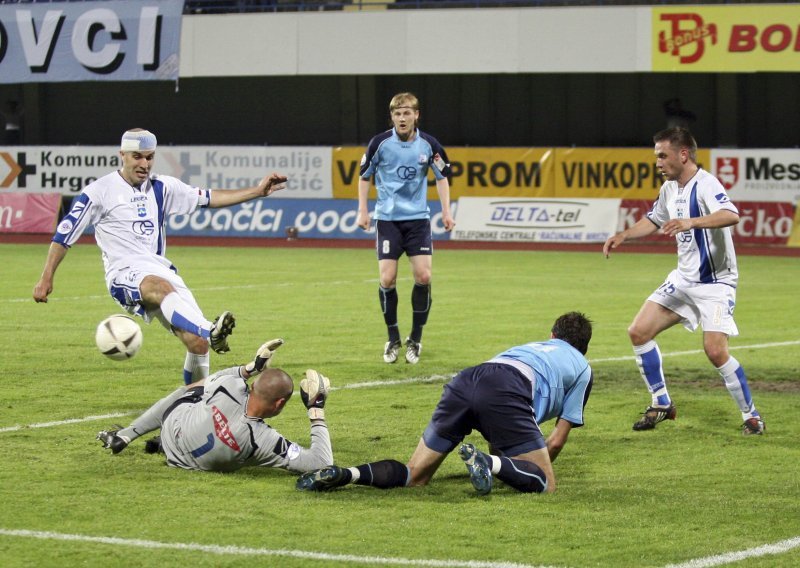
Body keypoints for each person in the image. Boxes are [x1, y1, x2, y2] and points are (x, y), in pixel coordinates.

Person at [33, 128, 288, 385]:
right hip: (125, 274)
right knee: (165, 293)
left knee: (197, 345)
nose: (144, 164)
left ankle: (195, 405)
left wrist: (257, 191)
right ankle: (210, 331)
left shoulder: (164, 187)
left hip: (161, 270)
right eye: (137, 157)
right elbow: (64, 235)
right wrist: (46, 278)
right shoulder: (98, 192)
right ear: (122, 155)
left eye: (149, 157)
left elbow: (209, 198)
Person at [296, 312, 593, 495]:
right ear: (584, 348)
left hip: (467, 380)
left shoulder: (531, 347)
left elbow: (499, 429)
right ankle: (484, 463)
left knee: (415, 475)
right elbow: (555, 442)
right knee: (546, 484)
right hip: (507, 391)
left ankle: (347, 474)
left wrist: (508, 462)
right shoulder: (581, 366)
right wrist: (516, 469)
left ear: (552, 335)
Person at [603, 126, 764, 436]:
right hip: (683, 280)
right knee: (638, 332)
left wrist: (691, 221)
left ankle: (751, 416)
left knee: (715, 351)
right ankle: (661, 402)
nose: (658, 162)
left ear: (683, 154)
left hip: (715, 284)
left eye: (662, 156)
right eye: (656, 156)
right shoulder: (670, 188)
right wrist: (624, 234)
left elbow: (731, 215)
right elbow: (653, 219)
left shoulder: (706, 184)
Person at [97, 338, 334, 475]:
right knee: (200, 396)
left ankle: (127, 435)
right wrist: (316, 410)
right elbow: (321, 463)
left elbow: (221, 378)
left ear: (252, 387)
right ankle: (143, 439)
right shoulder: (264, 441)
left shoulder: (230, 387)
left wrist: (250, 369)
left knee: (189, 392)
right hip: (192, 465)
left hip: (173, 430)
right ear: (280, 403)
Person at [356, 92, 456, 365]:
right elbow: (364, 176)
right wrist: (362, 209)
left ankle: (415, 338)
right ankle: (393, 338)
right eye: (397, 114)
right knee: (387, 279)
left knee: (423, 276)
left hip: (418, 221)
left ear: (416, 115)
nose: (402, 118)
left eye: (407, 113)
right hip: (388, 220)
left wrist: (446, 212)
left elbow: (443, 177)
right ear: (392, 117)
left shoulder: (428, 144)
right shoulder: (380, 143)